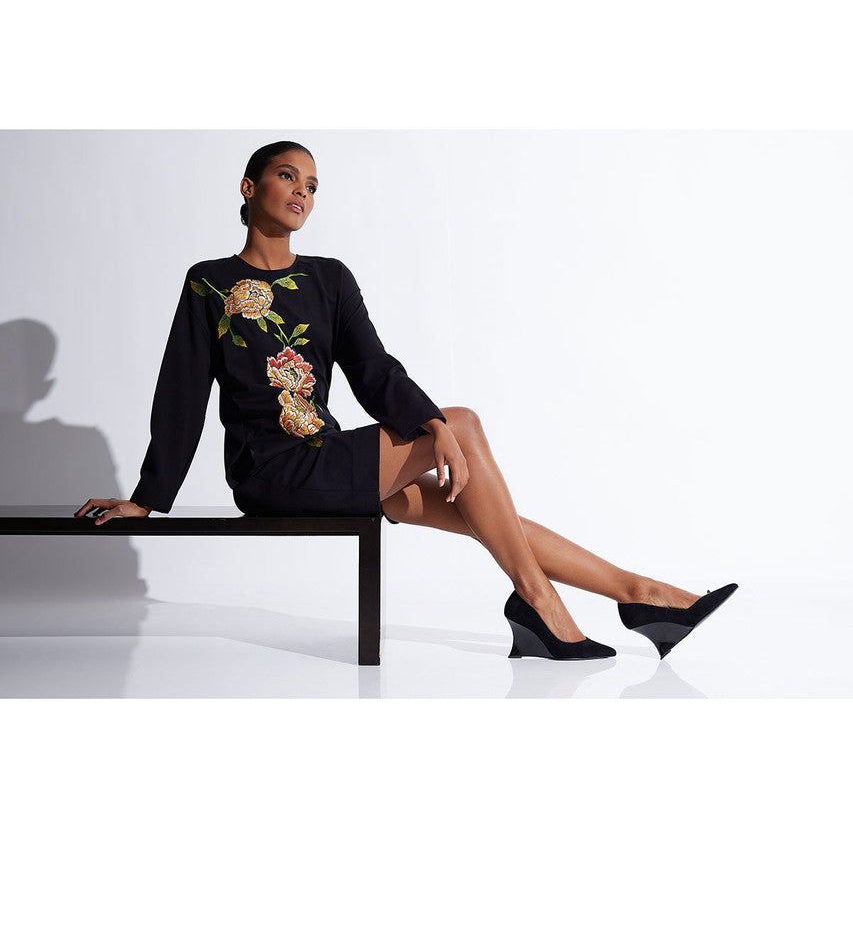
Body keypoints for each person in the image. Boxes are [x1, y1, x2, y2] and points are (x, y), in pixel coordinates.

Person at [74, 140, 737, 660]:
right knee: (464, 426)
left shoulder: (329, 279)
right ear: (249, 188)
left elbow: (372, 370)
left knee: (482, 510)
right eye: (287, 176)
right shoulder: (210, 283)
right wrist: (147, 497)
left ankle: (640, 594)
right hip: (272, 471)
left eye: (312, 185)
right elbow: (183, 391)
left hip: (328, 456)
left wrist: (426, 423)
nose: (302, 191)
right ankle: (542, 604)